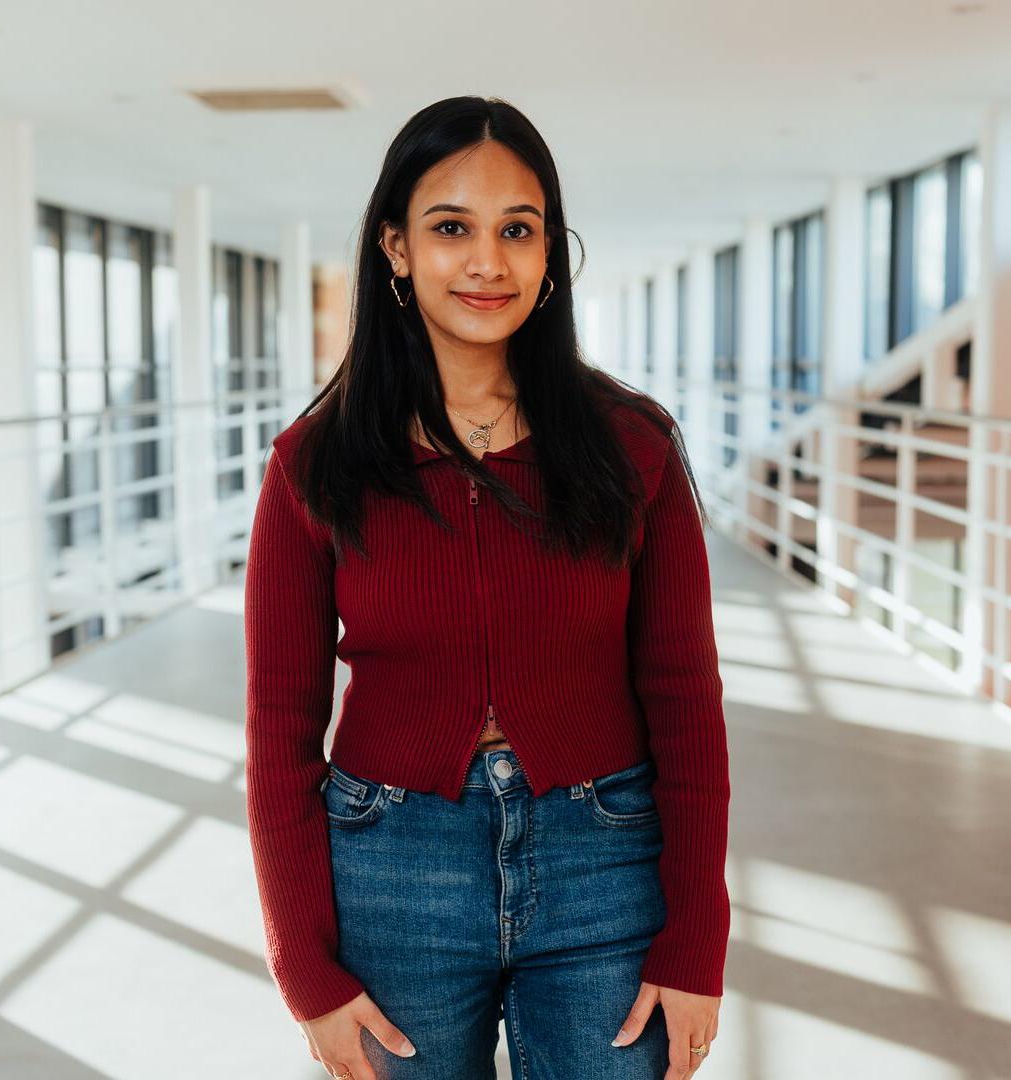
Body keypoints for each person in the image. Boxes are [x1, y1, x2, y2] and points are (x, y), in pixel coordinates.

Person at [244, 95, 729, 1080]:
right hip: (390, 873)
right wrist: (304, 970)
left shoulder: (632, 446)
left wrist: (696, 944)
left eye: (517, 229)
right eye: (449, 228)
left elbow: (684, 702)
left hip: (605, 867)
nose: (486, 262)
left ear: (551, 251)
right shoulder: (315, 463)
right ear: (394, 247)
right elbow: (276, 731)